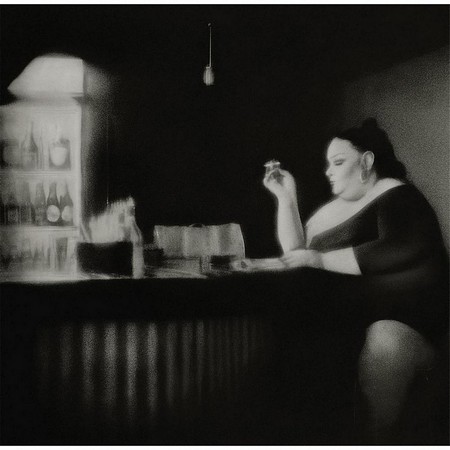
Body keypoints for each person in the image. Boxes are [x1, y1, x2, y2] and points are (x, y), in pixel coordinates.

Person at [263, 118, 449, 443]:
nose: (328, 172)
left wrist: (321, 260)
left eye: (338, 162)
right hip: (337, 327)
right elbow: (297, 255)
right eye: (328, 164)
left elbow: (402, 247)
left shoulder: (398, 196)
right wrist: (286, 198)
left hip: (400, 329)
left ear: (366, 162)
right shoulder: (333, 210)